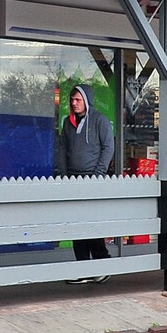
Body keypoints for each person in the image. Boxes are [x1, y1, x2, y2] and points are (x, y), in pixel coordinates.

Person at [56, 85, 115, 281]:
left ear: (87, 101)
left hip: (93, 180)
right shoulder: (67, 123)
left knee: (92, 225)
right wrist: (64, 175)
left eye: (78, 100)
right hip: (73, 180)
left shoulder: (100, 120)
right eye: (72, 100)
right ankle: (82, 269)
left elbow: (108, 148)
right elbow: (63, 150)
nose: (73, 103)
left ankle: (102, 265)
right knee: (76, 226)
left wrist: (98, 174)